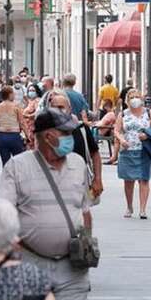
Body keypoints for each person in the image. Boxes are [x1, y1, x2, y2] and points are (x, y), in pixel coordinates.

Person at [0, 108, 96, 300]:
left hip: (71, 265)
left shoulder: (79, 164)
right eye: (64, 133)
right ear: (45, 136)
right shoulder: (18, 167)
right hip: (29, 263)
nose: (70, 138)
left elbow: (84, 208)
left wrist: (86, 241)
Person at [46, 91, 103, 234]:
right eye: (55, 107)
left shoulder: (81, 129)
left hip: (79, 179)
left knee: (83, 210)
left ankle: (86, 238)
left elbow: (95, 154)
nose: (59, 110)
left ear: (69, 109)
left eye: (62, 107)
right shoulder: (45, 131)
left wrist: (98, 179)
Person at [116, 90, 151, 219]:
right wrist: (121, 139)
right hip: (127, 151)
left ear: (141, 99)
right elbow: (117, 130)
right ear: (127, 100)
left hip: (144, 150)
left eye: (137, 97)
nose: (134, 99)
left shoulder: (149, 113)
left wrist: (147, 135)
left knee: (144, 179)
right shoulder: (123, 114)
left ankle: (142, 209)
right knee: (128, 181)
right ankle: (129, 207)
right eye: (131, 97)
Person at [0, 85, 28, 166]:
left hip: (2, 136)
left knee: (5, 163)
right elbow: (22, 123)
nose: (14, 95)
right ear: (10, 94)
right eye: (13, 94)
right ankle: (18, 178)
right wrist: (28, 136)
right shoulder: (16, 106)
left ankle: (7, 177)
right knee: (19, 162)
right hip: (14, 136)